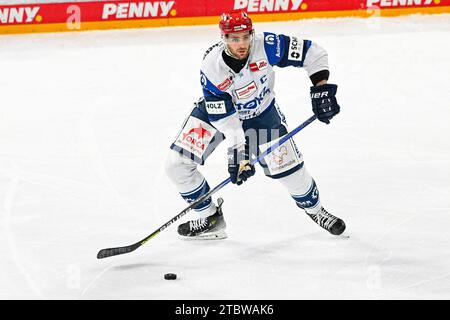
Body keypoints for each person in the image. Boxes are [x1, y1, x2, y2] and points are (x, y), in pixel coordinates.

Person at [165, 10, 345, 240]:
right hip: (216, 115)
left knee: (291, 174)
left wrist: (321, 87)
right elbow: (226, 121)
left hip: (261, 114)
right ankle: (209, 218)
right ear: (224, 38)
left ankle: (317, 211)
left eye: (245, 37)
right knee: (176, 164)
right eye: (234, 39)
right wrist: (240, 153)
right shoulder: (212, 67)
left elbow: (313, 52)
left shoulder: (268, 45)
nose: (241, 44)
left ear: (252, 34)